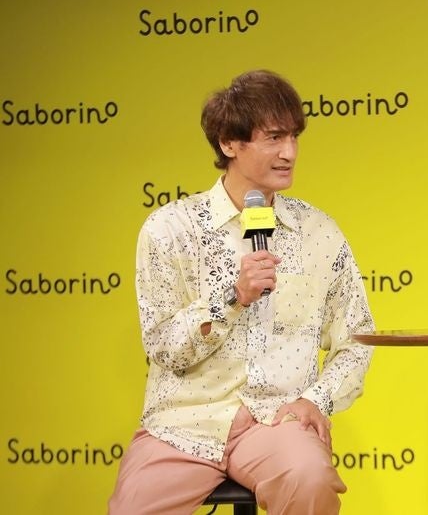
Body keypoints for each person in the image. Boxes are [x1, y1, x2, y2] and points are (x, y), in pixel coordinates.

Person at [108, 69, 375, 515]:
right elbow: (163, 348)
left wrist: (315, 400)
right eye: (273, 138)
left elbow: (358, 338)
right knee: (133, 508)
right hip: (183, 423)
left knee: (310, 481)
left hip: (277, 421)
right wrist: (232, 297)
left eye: (294, 137)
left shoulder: (318, 232)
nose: (289, 152)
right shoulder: (170, 230)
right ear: (229, 143)